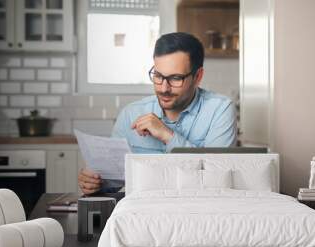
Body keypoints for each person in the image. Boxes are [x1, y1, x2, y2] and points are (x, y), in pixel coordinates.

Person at [79, 32, 237, 195]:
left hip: (198, 210)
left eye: (175, 78)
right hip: (141, 214)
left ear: (197, 76)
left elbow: (216, 180)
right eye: (158, 76)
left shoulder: (220, 110)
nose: (163, 88)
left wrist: (167, 135)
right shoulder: (130, 114)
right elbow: (113, 182)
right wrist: (95, 182)